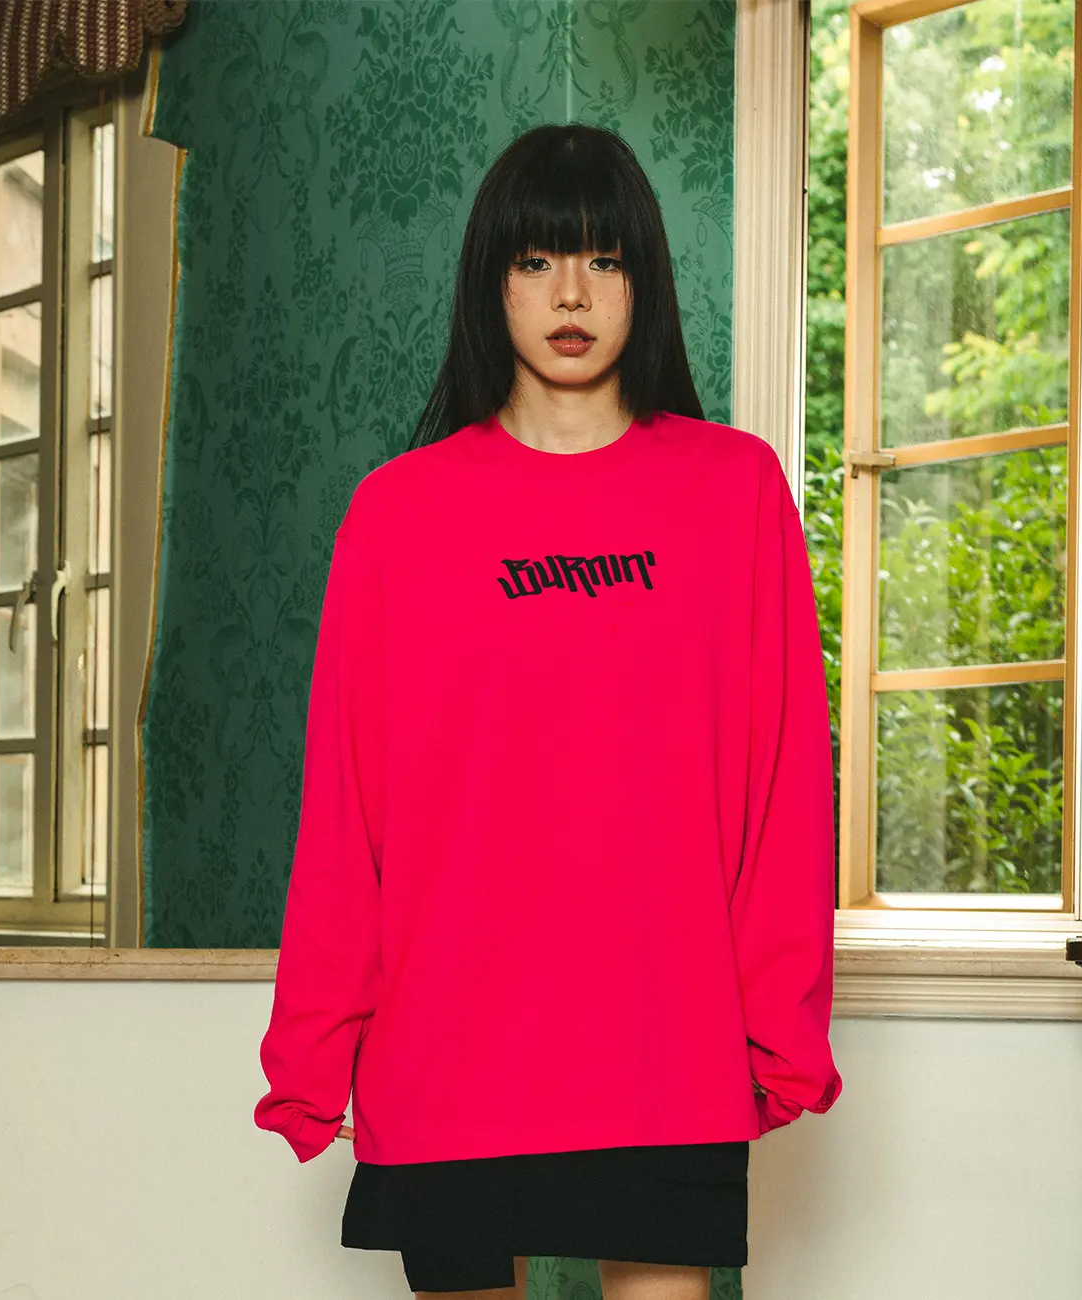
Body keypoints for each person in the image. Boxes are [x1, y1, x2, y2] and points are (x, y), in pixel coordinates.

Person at [253, 122, 843, 1300]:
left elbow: (786, 790)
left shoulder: (734, 493)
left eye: (603, 259)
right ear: (493, 280)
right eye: (536, 260)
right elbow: (346, 812)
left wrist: (778, 1029)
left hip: (665, 1043)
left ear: (643, 280)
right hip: (446, 1043)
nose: (571, 293)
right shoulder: (397, 515)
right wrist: (313, 1051)